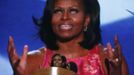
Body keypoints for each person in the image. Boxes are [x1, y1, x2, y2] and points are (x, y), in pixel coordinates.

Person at [7, 0, 129, 75]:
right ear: (50, 18)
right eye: (58, 11)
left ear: (87, 20)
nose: (65, 17)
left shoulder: (109, 60)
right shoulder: (31, 61)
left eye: (73, 11)